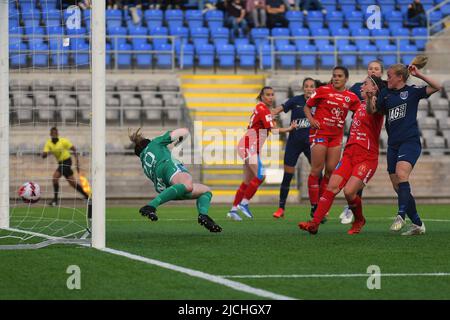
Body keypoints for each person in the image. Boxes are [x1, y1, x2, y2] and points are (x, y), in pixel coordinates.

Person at [298, 76, 386, 235]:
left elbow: (371, 110)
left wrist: (372, 96)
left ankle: (359, 219)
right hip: (349, 154)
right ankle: (314, 223)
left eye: (365, 83)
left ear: (374, 89)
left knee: (349, 192)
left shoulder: (377, 105)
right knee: (331, 186)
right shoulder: (358, 105)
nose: (361, 85)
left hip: (366, 157)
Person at [366, 58, 441, 235]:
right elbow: (372, 111)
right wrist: (370, 99)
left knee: (401, 174)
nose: (387, 78)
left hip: (410, 142)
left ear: (400, 77)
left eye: (390, 76)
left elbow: (437, 87)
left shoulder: (412, 91)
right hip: (393, 145)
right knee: (398, 186)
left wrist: (419, 74)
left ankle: (401, 215)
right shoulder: (385, 94)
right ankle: (417, 224)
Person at [129, 128, 222, 233]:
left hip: (162, 186)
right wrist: (181, 141)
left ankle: (203, 216)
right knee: (188, 185)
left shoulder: (144, 164)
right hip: (168, 166)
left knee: (205, 190)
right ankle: (151, 206)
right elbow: (184, 131)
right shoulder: (155, 143)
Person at [227, 87, 298, 221]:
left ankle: (233, 210)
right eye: (267, 95)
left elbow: (266, 124)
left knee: (247, 181)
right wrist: (290, 128)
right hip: (249, 146)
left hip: (249, 146)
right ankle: (244, 203)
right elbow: (274, 130)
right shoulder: (263, 110)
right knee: (261, 174)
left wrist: (271, 118)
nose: (271, 97)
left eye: (272, 95)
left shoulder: (261, 109)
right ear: (262, 96)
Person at [303, 66, 360, 221]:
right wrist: (311, 119)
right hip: (320, 133)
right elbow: (307, 106)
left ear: (346, 78)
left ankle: (322, 205)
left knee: (330, 172)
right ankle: (315, 206)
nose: (336, 78)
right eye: (334, 75)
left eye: (339, 76)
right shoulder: (322, 90)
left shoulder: (351, 97)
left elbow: (360, 112)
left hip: (336, 137)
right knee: (317, 170)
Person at [339, 60, 384, 224]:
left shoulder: (384, 90)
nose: (373, 70)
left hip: (370, 136)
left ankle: (351, 206)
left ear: (381, 72)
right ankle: (350, 204)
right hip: (355, 132)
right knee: (352, 174)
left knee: (359, 175)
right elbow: (345, 100)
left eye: (376, 68)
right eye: (370, 68)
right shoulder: (358, 86)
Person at [271, 78, 316, 218]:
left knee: (317, 176)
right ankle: (281, 208)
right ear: (303, 88)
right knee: (287, 176)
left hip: (311, 144)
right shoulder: (295, 100)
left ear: (315, 88)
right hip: (294, 143)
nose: (309, 88)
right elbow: (280, 109)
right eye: (306, 86)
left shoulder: (319, 102)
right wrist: (272, 113)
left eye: (311, 86)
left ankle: (318, 208)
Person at [42, 127, 90, 207]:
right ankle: (87, 196)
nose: (54, 135)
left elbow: (74, 149)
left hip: (67, 161)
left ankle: (55, 200)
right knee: (73, 183)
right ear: (50, 134)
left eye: (55, 133)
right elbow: (44, 154)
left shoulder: (63, 141)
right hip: (61, 163)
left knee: (55, 178)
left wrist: (77, 162)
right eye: (52, 133)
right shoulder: (48, 143)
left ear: (57, 134)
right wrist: (44, 154)